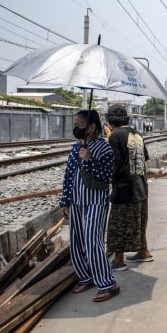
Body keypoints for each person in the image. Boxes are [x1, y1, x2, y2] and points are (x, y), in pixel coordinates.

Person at [59, 109, 119, 302]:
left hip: (95, 201)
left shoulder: (104, 148)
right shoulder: (76, 147)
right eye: (75, 125)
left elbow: (105, 176)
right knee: (76, 241)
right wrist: (65, 200)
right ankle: (86, 277)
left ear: (92, 127)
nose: (76, 128)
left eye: (79, 125)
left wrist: (89, 160)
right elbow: (69, 176)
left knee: (93, 241)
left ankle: (108, 283)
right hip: (76, 201)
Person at [106, 105, 154, 271]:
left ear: (110, 120)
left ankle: (118, 260)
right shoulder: (137, 134)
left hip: (124, 189)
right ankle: (144, 251)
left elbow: (114, 163)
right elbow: (145, 157)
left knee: (118, 225)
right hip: (141, 186)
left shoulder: (114, 136)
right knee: (140, 222)